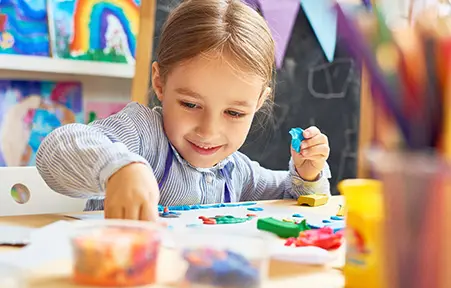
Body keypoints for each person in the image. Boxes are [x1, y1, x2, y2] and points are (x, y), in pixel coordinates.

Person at [36, 0, 331, 221]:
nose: (208, 131)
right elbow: (56, 150)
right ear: (160, 83)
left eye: (234, 113)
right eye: (191, 105)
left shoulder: (235, 171)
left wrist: (307, 176)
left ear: (258, 102)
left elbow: (292, 200)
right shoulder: (141, 134)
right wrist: (116, 169)